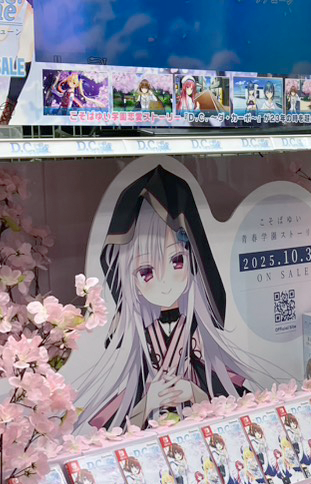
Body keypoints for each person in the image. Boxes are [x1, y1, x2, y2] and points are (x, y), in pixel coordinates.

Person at [80, 167, 271, 430]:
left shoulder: (195, 330)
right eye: (146, 272)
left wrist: (194, 392)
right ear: (130, 280)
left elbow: (227, 396)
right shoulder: (141, 336)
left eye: (177, 261)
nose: (165, 283)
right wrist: (150, 401)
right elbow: (122, 421)